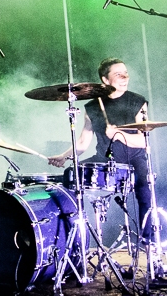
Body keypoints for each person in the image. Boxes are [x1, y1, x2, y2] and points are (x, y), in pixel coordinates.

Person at [48, 59, 153, 241]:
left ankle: (149, 240)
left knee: (145, 187)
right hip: (104, 158)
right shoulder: (93, 107)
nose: (125, 78)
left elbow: (143, 141)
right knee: (71, 175)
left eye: (126, 73)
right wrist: (64, 156)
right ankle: (71, 235)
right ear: (105, 80)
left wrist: (119, 133)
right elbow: (82, 142)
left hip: (134, 160)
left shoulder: (137, 102)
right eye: (118, 74)